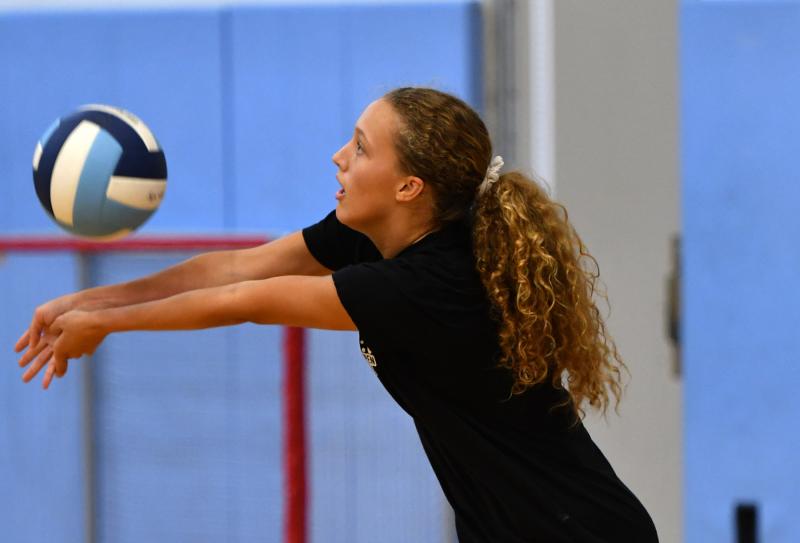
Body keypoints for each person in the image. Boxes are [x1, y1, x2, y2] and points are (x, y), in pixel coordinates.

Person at [15, 87, 659, 542]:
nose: (338, 157)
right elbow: (237, 269)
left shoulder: (426, 284)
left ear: (410, 187)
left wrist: (107, 325)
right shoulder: (376, 236)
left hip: (573, 529)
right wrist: (89, 301)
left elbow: (247, 302)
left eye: (360, 147)